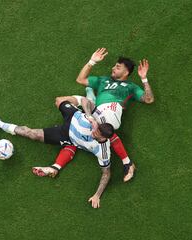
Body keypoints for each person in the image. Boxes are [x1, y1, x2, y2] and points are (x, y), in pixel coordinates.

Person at [33, 48, 155, 182]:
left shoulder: (130, 87)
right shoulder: (104, 80)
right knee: (60, 100)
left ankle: (127, 163)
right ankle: (125, 161)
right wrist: (92, 61)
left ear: (126, 72)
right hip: (94, 107)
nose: (113, 68)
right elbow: (80, 79)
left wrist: (144, 79)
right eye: (114, 65)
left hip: (108, 113)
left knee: (103, 127)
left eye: (118, 67)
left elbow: (148, 99)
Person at [0, 97, 114, 208]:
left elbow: (106, 173)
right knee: (58, 100)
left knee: (31, 134)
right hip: (73, 117)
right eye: (94, 130)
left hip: (65, 136)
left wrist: (97, 195)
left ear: (104, 138)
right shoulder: (92, 123)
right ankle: (89, 94)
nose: (93, 132)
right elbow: (85, 100)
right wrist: (90, 116)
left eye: (95, 134)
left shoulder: (102, 150)